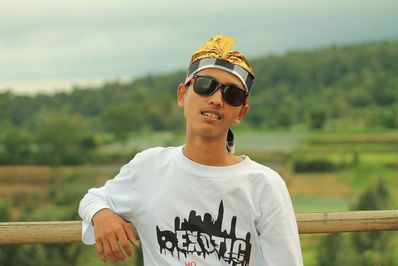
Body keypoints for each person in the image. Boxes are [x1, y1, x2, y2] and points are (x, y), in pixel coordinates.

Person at [79, 35, 303, 266]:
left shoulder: (263, 185)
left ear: (241, 112)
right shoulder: (150, 167)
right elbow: (93, 198)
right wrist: (102, 215)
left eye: (232, 95)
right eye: (205, 85)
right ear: (182, 95)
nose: (217, 100)